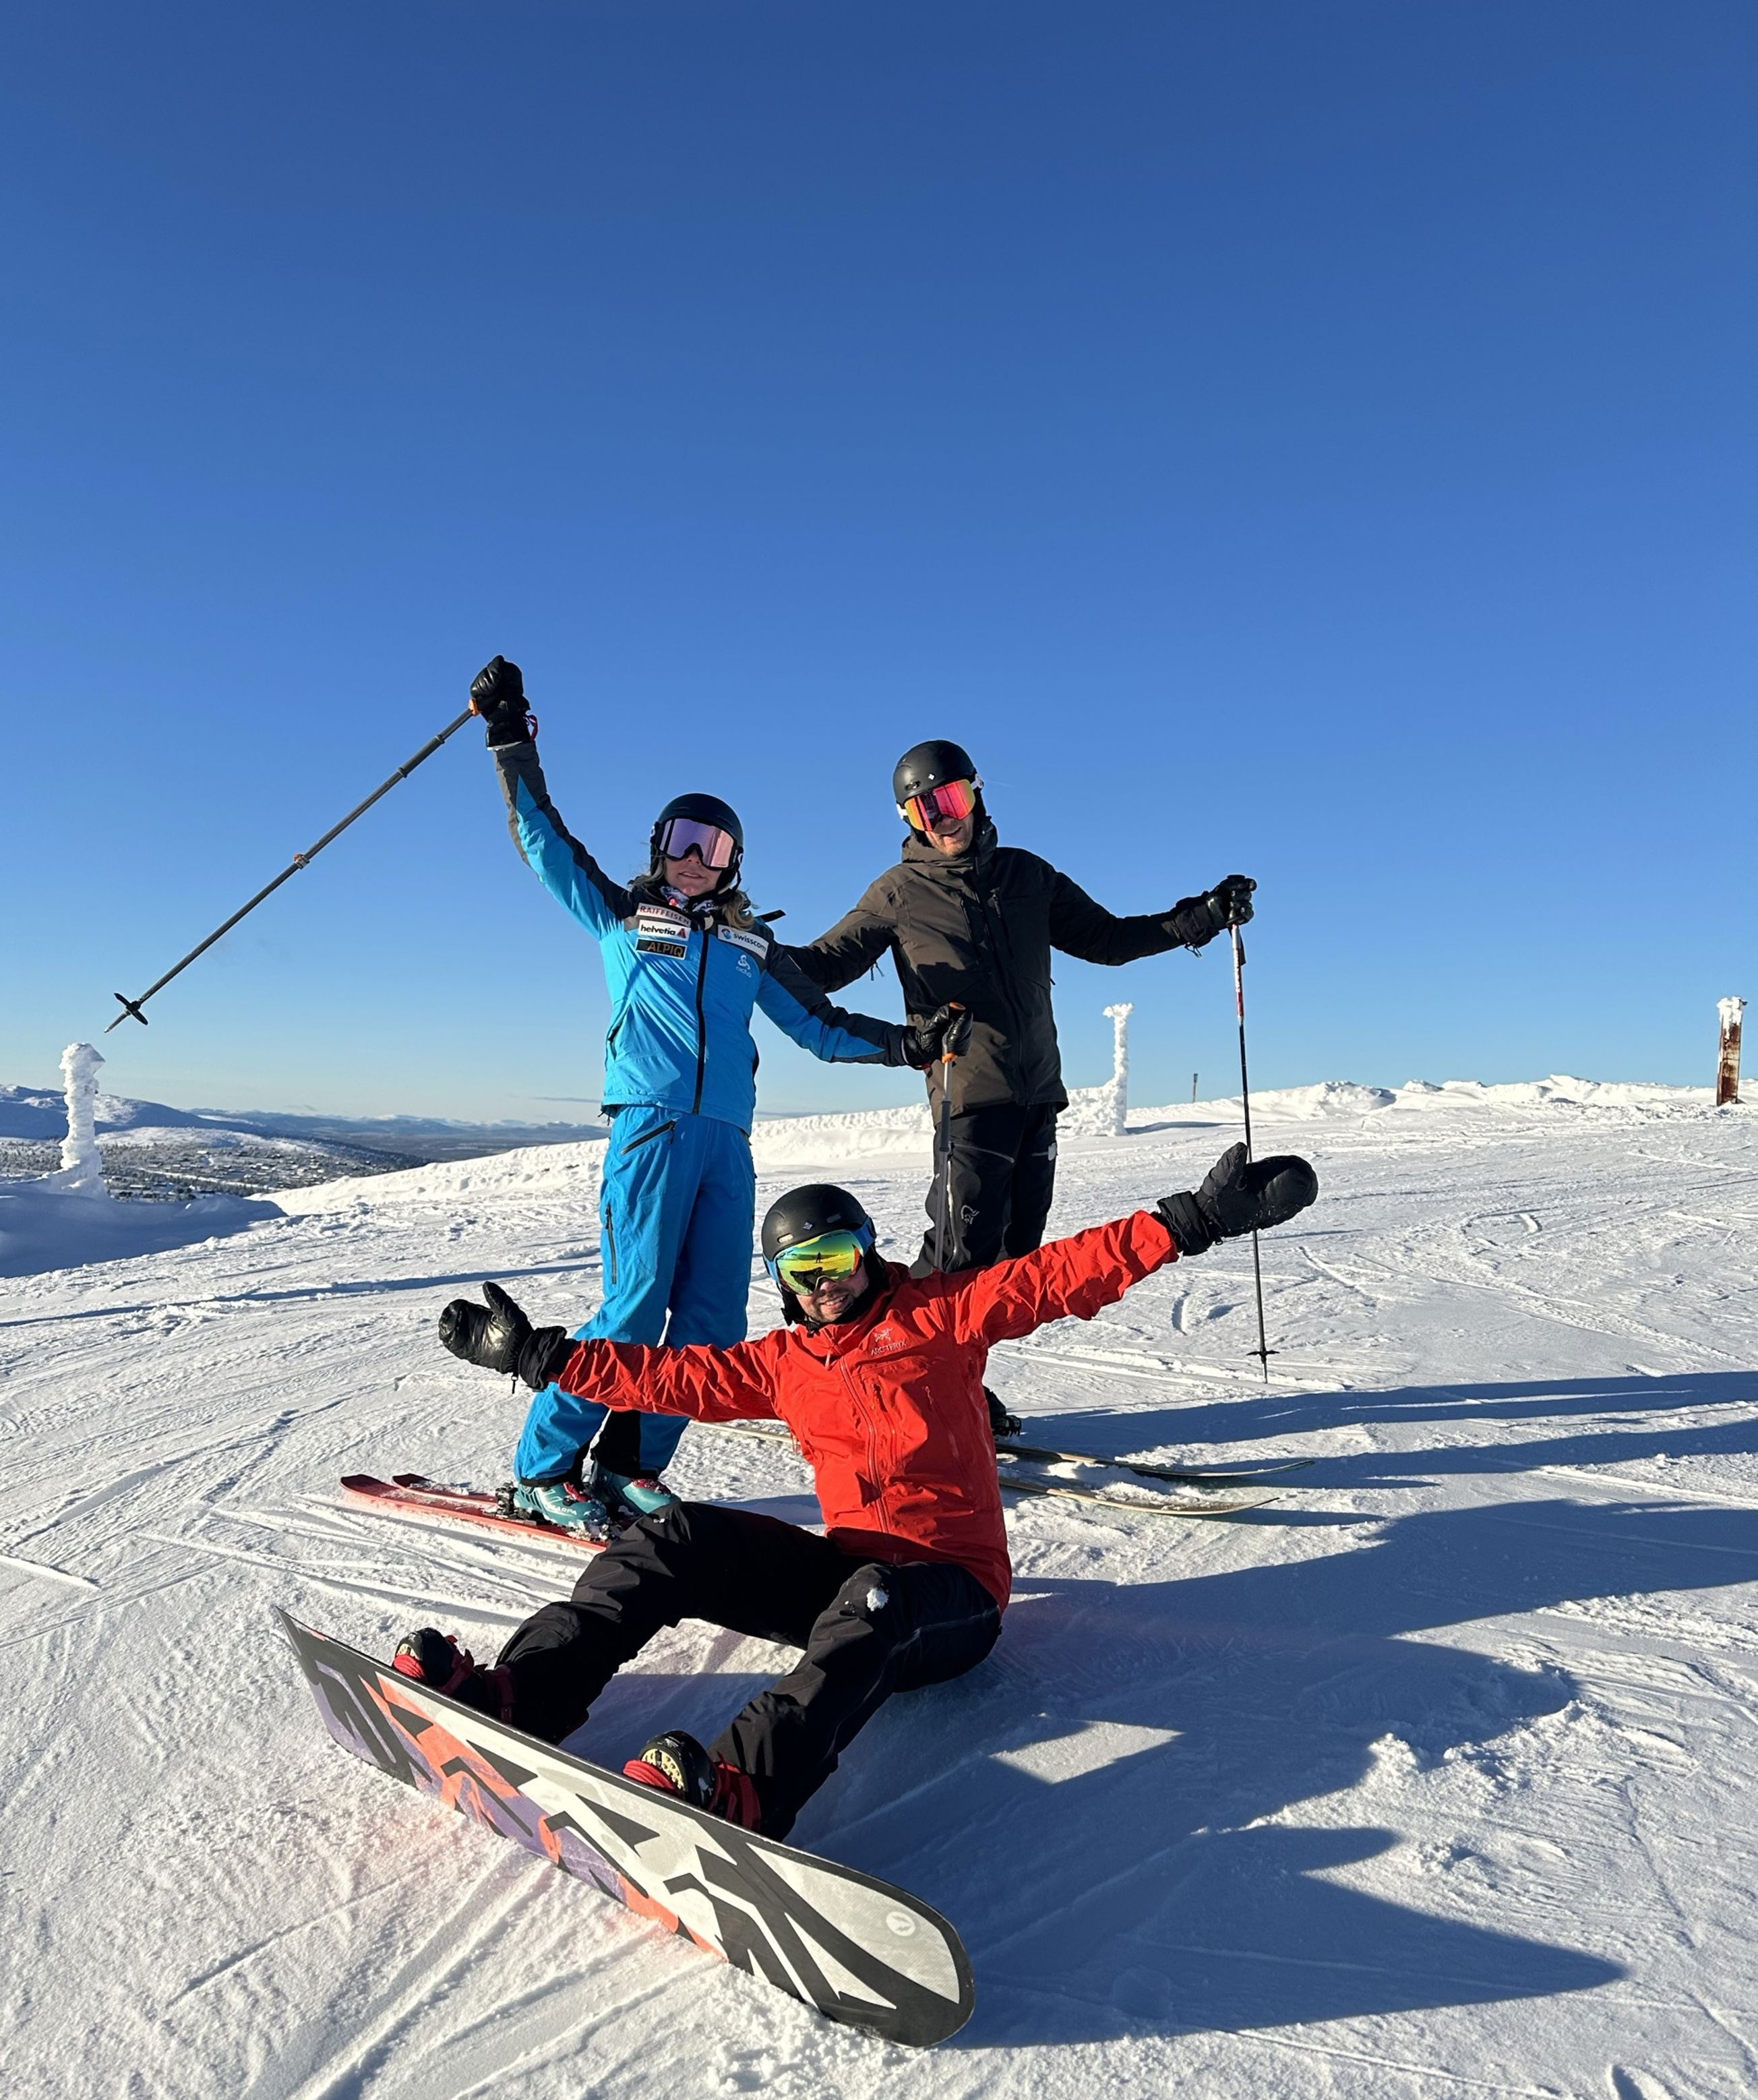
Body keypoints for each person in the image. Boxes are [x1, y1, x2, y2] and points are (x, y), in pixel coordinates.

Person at [396, 1139, 1317, 1842]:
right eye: (804, 1272)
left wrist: (1192, 1218)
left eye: (838, 1258)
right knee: (671, 1538)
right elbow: (668, 1376)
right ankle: (523, 1694)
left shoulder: (943, 1318)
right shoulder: (785, 1363)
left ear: (869, 1251)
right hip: (848, 1577)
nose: (826, 1283)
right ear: (782, 1285)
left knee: (877, 1601)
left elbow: (1059, 1277)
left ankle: (746, 1788)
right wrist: (537, 1356)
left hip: (951, 1597)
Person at [466, 656, 965, 1538]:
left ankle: (630, 1466)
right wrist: (510, 736)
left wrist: (907, 1047)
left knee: (709, 1319)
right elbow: (544, 840)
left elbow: (817, 1026)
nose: (698, 861)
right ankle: (543, 1469)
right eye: (684, 841)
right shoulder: (623, 918)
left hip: (726, 1143)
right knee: (632, 1306)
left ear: (736, 864)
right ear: (659, 846)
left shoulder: (747, 947)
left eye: (718, 848)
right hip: (651, 1133)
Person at [775, 739, 1259, 1435]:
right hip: (967, 1101)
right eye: (925, 806)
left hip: (1039, 1096)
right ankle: (898, 1373)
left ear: (976, 795)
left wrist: (1205, 915)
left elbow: (1111, 939)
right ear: (909, 818)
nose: (944, 817)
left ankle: (956, 1376)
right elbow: (823, 965)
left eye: (953, 798)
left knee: (1012, 1263)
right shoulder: (898, 892)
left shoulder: (1028, 876)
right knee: (956, 1260)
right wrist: (750, 946)